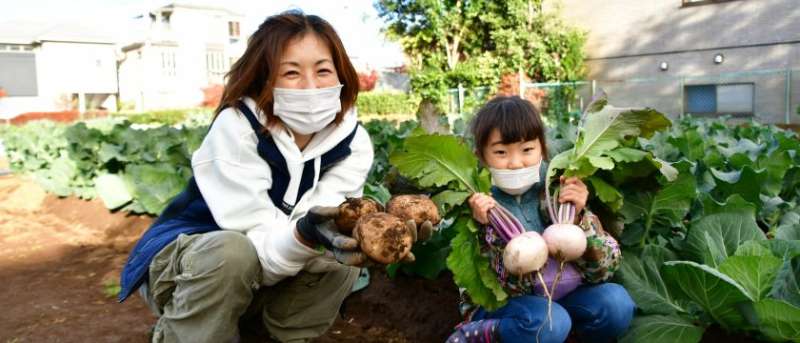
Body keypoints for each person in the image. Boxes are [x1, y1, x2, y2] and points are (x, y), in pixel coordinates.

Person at [118, 11, 422, 343]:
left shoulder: (354, 143)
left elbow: (328, 221)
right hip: (190, 262)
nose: (309, 85)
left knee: (341, 255)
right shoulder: (237, 129)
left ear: (341, 76)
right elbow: (260, 246)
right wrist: (305, 235)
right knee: (233, 252)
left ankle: (277, 336)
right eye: (291, 72)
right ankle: (187, 332)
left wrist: (368, 236)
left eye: (322, 70)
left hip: (264, 268)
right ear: (265, 79)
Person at [446, 96, 635, 343]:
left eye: (527, 150)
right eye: (501, 152)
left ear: (543, 149)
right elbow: (493, 286)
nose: (515, 163)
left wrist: (579, 217)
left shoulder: (559, 190)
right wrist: (485, 228)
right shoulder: (475, 202)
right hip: (505, 304)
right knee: (549, 321)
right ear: (480, 156)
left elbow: (604, 269)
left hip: (564, 296)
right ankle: (480, 335)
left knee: (616, 304)